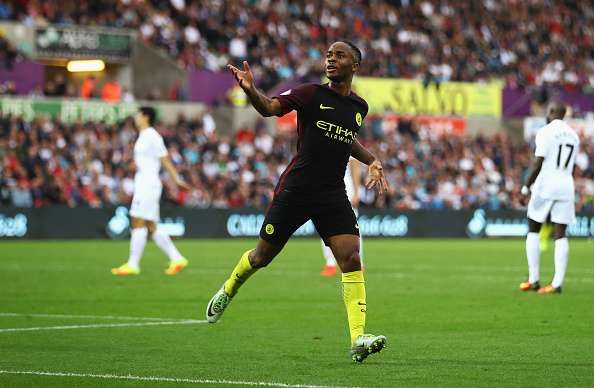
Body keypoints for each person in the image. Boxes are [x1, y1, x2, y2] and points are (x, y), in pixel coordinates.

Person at [205, 41, 389, 363]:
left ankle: (358, 338)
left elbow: (346, 139)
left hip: (332, 193)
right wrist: (250, 90)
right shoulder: (309, 94)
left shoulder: (359, 107)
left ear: (355, 65)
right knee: (262, 256)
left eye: (339, 55)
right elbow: (269, 109)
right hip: (297, 189)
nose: (331, 59)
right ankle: (229, 289)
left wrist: (371, 160)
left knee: (351, 258)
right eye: (329, 55)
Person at [112, 107, 190, 276]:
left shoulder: (152, 135)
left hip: (147, 185)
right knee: (151, 225)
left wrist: (176, 179)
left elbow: (164, 159)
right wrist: (131, 165)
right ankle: (177, 258)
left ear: (146, 117)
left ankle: (133, 264)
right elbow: (146, 162)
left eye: (138, 114)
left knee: (138, 221)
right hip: (144, 183)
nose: (136, 117)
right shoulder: (143, 136)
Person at [519, 102, 580, 294]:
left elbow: (538, 163)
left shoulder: (545, 132)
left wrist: (525, 187)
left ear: (552, 112)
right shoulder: (574, 135)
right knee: (560, 233)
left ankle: (534, 279)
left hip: (546, 185)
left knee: (533, 228)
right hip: (566, 186)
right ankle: (556, 284)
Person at [320, 157, 363, 276]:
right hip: (325, 189)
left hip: (346, 190)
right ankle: (330, 263)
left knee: (352, 227)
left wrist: (356, 192)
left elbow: (355, 167)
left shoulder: (347, 139)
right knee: (324, 225)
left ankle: (359, 262)